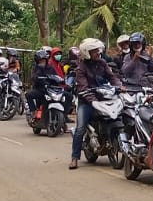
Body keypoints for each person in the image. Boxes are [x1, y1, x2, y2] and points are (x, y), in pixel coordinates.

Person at [69, 38, 120, 169]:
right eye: (94, 51)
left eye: (98, 50)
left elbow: (111, 77)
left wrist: (119, 86)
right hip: (86, 101)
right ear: (87, 53)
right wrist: (92, 100)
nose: (98, 53)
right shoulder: (81, 68)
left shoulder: (102, 63)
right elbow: (83, 87)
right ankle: (74, 158)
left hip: (103, 98)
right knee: (80, 129)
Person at [28, 48, 65, 118]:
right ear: (37, 61)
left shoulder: (50, 68)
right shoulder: (36, 68)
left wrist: (61, 80)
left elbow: (56, 76)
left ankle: (63, 117)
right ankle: (33, 111)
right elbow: (33, 77)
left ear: (46, 60)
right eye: (41, 60)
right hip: (40, 89)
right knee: (28, 94)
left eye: (44, 60)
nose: (42, 62)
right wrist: (36, 77)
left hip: (51, 90)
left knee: (68, 96)